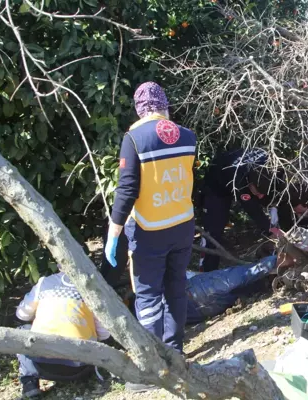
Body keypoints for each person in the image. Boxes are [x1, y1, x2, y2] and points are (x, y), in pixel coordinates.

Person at [104, 82, 196, 390]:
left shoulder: (134, 139)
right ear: (164, 105)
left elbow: (127, 189)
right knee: (176, 288)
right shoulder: (188, 136)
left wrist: (113, 233)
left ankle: (153, 370)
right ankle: (175, 352)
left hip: (150, 230)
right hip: (183, 225)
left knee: (147, 295)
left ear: (139, 108)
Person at [15, 268, 110, 398]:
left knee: (23, 331)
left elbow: (22, 314)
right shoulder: (93, 288)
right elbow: (105, 334)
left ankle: (30, 382)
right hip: (79, 369)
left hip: (41, 366)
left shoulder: (44, 283)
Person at [198, 148, 286, 272]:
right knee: (213, 230)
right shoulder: (239, 180)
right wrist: (271, 231)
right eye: (258, 192)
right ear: (250, 184)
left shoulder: (272, 165)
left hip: (245, 173)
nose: (260, 197)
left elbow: (278, 195)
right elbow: (253, 211)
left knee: (274, 204)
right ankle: (206, 271)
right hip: (216, 188)